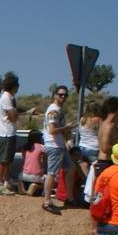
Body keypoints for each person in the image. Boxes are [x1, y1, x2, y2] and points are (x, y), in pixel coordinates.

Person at [41, 85, 74, 214]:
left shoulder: (58, 110)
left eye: (65, 95)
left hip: (59, 145)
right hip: (54, 145)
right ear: (55, 95)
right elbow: (52, 130)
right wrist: (66, 128)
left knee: (70, 168)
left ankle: (69, 197)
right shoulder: (53, 110)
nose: (63, 97)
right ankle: (47, 201)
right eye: (61, 95)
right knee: (51, 173)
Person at [0, 72, 20, 194]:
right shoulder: (6, 98)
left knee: (8, 160)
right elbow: (13, 116)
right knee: (3, 160)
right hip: (6, 133)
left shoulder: (10, 98)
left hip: (9, 133)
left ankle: (5, 183)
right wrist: (15, 113)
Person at [19, 131, 46, 196]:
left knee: (24, 179)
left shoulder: (24, 147)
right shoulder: (42, 147)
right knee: (48, 180)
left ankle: (21, 186)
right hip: (36, 175)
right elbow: (44, 161)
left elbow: (23, 160)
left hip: (24, 174)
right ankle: (36, 186)